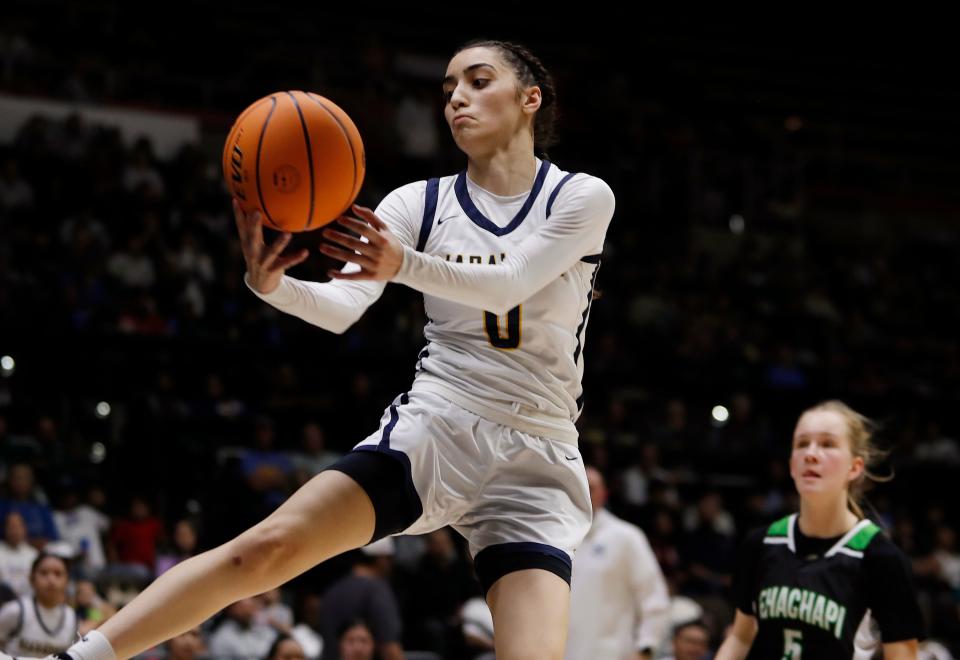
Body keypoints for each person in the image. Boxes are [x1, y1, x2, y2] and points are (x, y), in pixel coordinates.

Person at [3, 38, 614, 660]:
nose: (457, 96)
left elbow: (511, 279)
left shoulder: (583, 196)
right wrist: (272, 285)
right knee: (263, 550)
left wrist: (406, 264)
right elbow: (345, 307)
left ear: (530, 98)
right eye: (449, 87)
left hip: (537, 455)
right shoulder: (415, 203)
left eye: (478, 81)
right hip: (442, 423)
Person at [716, 400, 925, 659]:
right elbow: (739, 639)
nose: (811, 454)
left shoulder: (881, 558)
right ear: (792, 465)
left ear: (855, 467)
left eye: (827, 444)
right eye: (802, 444)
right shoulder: (761, 544)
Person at [565, 466, 671, 660]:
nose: (583, 492)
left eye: (590, 487)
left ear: (604, 494)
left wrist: (646, 648)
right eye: (576, 485)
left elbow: (654, 598)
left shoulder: (626, 537)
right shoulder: (554, 538)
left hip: (609, 653)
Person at [0, 553, 77, 656]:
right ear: (31, 578)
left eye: (58, 574)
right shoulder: (15, 611)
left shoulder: (71, 616)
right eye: (44, 573)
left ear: (67, 581)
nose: (51, 580)